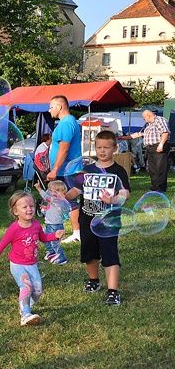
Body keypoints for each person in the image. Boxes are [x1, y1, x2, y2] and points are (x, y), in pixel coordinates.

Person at [65, 130, 130, 306]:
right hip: (87, 219)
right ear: (95, 148)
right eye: (99, 147)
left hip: (108, 221)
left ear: (114, 148)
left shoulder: (118, 171)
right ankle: (93, 280)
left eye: (107, 147)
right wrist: (63, 196)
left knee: (110, 254)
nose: (102, 151)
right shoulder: (87, 170)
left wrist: (114, 199)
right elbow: (76, 191)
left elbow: (125, 194)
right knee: (89, 252)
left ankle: (113, 291)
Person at [0, 191, 64, 326]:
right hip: (17, 264)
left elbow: (43, 238)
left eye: (31, 206)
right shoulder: (14, 229)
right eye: (25, 207)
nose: (29, 209)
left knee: (37, 290)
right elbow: (2, 244)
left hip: (32, 264)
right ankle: (25, 314)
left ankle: (25, 305)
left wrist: (55, 235)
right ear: (15, 211)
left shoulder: (36, 224)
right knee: (26, 286)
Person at [47, 95, 82, 244]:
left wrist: (55, 169)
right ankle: (75, 231)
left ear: (60, 107)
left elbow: (64, 148)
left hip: (68, 170)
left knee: (71, 201)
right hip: (67, 169)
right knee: (68, 201)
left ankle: (76, 233)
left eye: (51, 107)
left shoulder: (66, 123)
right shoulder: (68, 122)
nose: (49, 110)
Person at [132, 110, 170, 192]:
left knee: (160, 167)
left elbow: (165, 132)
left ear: (148, 115)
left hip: (159, 146)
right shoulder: (148, 124)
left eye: (144, 118)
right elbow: (139, 134)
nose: (143, 119)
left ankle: (161, 187)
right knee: (152, 168)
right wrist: (125, 137)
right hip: (150, 148)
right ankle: (155, 186)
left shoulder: (160, 120)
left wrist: (161, 144)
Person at [34, 180, 68, 265]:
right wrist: (45, 208)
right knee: (45, 238)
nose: (51, 192)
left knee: (54, 242)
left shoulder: (57, 200)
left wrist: (39, 188)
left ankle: (61, 258)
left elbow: (46, 197)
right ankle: (52, 253)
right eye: (50, 190)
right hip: (50, 224)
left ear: (62, 193)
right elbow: (52, 209)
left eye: (54, 191)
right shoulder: (54, 201)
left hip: (55, 226)